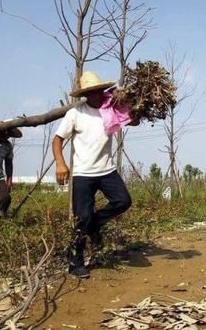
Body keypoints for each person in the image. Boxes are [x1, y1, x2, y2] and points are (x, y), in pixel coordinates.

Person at [52, 71, 134, 278]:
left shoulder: (111, 109)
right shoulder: (76, 113)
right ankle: (75, 263)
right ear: (86, 95)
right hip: (83, 174)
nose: (97, 95)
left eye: (99, 91)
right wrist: (61, 164)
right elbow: (57, 139)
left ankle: (95, 225)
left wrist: (136, 106)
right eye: (92, 93)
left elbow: (133, 121)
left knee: (123, 201)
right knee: (83, 219)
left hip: (106, 170)